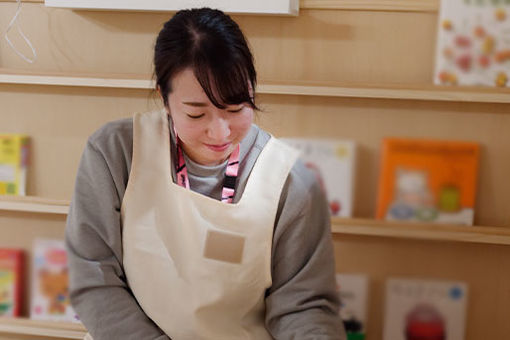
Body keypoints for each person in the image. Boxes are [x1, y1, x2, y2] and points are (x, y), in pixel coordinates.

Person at [66, 7, 346, 340]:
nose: (220, 132)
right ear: (165, 99)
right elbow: (94, 278)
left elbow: (303, 307)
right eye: (196, 114)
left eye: (236, 109)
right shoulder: (114, 153)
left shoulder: (292, 181)